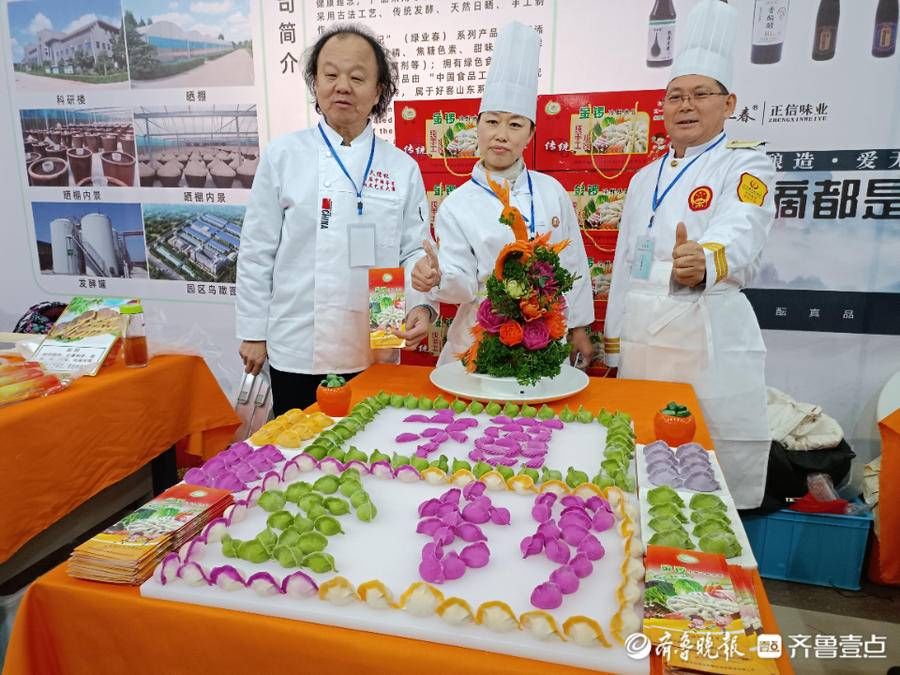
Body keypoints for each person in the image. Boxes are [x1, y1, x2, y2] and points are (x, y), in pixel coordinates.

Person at [604, 0, 775, 509]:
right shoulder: (641, 178)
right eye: (675, 95)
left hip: (704, 339)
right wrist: (612, 343)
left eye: (701, 94)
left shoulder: (745, 164)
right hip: (640, 342)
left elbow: (743, 226)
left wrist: (706, 257)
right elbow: (623, 268)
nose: (685, 105)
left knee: (702, 475)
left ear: (729, 102)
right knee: (639, 468)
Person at [236, 24, 434, 416]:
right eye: (330, 75)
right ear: (316, 85)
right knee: (300, 450)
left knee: (370, 446)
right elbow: (257, 250)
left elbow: (413, 248)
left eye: (357, 77)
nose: (342, 86)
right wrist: (253, 332)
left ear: (378, 91)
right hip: (298, 339)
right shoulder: (284, 156)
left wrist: (422, 305)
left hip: (378, 332)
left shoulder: (402, 167)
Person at [412, 21, 594, 367]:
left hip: (546, 344)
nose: (501, 135)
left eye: (515, 125)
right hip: (478, 344)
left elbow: (574, 265)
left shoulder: (551, 191)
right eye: (492, 122)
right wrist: (439, 278)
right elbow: (462, 283)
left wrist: (581, 327)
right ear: (477, 127)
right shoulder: (457, 204)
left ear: (530, 134)